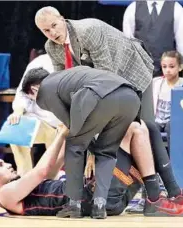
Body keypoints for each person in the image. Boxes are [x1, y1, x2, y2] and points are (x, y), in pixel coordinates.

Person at [0, 124, 183, 218]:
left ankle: (167, 194)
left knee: (142, 129)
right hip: (99, 197)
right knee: (137, 132)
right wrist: (62, 133)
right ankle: (157, 198)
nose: (6, 163)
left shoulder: (25, 190)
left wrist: (74, 130)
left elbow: (53, 165)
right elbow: (42, 171)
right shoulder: (6, 195)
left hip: (106, 194)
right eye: (0, 165)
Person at [21, 66, 141, 219]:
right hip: (131, 97)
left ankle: (73, 205)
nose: (37, 103)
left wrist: (87, 146)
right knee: (106, 152)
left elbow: (71, 124)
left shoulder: (44, 91)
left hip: (100, 97)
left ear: (33, 89)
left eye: (31, 98)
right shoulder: (66, 77)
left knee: (73, 146)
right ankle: (99, 205)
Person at [34, 6, 155, 122]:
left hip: (132, 68)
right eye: (46, 30)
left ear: (62, 18)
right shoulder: (50, 47)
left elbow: (105, 73)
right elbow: (61, 81)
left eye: (54, 25)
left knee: (145, 124)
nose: (53, 33)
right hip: (106, 82)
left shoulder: (87, 31)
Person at [7, 52, 62, 176]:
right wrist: (18, 112)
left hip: (66, 125)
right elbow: (23, 93)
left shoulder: (83, 63)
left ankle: (54, 182)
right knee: (16, 127)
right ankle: (24, 177)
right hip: (42, 121)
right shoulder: (40, 62)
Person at [123, 0, 183, 77]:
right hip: (140, 70)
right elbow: (128, 41)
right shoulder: (133, 7)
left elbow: (182, 42)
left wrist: (176, 65)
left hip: (167, 71)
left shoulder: (176, 8)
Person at [153, 51, 183, 154]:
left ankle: (173, 159)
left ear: (180, 67)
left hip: (173, 121)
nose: (167, 70)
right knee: (150, 128)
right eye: (164, 66)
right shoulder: (156, 82)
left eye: (171, 67)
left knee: (171, 127)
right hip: (157, 120)